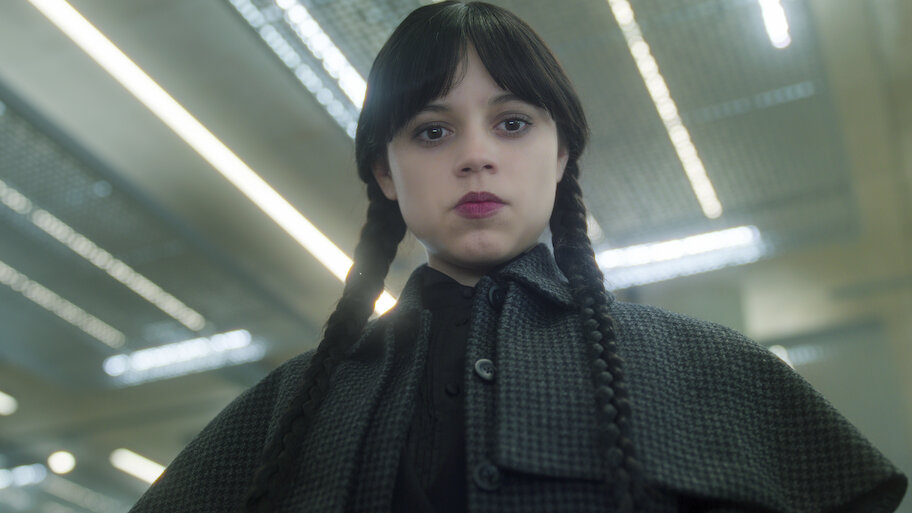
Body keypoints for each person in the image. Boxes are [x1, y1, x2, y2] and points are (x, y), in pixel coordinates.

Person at [128, 2, 907, 512]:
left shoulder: (705, 366)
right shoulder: (288, 406)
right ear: (384, 172)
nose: (476, 156)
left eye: (512, 123)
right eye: (432, 131)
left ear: (561, 152)